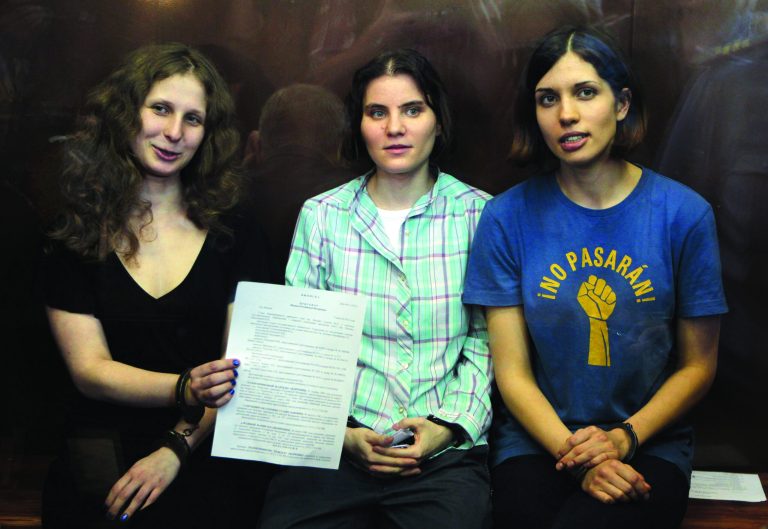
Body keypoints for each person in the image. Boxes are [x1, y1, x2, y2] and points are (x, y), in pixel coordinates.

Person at [463, 26, 727, 529]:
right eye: (548, 98)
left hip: (648, 439)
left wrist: (622, 439)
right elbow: (512, 371)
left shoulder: (683, 215)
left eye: (585, 92)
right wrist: (579, 453)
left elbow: (698, 366)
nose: (566, 114)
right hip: (539, 440)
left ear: (621, 103)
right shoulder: (505, 218)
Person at [253, 48, 493, 529]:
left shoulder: (480, 215)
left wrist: (444, 429)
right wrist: (343, 436)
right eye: (376, 112)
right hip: (335, 448)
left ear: (438, 122)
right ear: (359, 126)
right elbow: (302, 349)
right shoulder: (322, 216)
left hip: (443, 454)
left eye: (412, 110)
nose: (395, 128)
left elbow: (486, 341)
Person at [41, 43, 272, 528]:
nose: (173, 133)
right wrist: (184, 387)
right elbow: (90, 370)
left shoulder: (237, 229)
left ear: (208, 133)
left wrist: (176, 447)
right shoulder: (75, 229)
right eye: (161, 109)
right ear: (127, 113)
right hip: (101, 446)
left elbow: (238, 372)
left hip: (205, 440)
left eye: (193, 119)